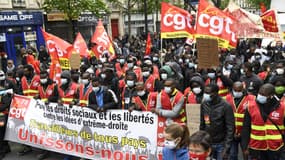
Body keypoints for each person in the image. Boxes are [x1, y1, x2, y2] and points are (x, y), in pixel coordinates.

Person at [241, 83, 285, 160]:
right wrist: (245, 147)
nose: (260, 96)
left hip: (276, 147)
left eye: (263, 95)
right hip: (256, 147)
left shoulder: (282, 108)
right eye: (259, 93)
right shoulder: (250, 106)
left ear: (271, 96)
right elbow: (245, 128)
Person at [200, 84, 234, 160]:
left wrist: (227, 147)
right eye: (205, 92)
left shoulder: (226, 106)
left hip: (221, 144)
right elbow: (202, 124)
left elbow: (230, 128)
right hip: (208, 142)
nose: (206, 95)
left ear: (216, 93)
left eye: (208, 93)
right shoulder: (204, 104)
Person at [225, 81, 255, 160]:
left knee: (247, 154)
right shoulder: (227, 98)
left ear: (243, 89)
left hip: (246, 132)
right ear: (232, 89)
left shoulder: (251, 99)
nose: (237, 92)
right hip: (232, 132)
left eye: (239, 91)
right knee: (232, 155)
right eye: (235, 90)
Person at [0, 72, 13, 159]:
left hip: (2, 115)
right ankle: (6, 148)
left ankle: (1, 151)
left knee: (1, 133)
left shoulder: (3, 91)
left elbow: (7, 103)